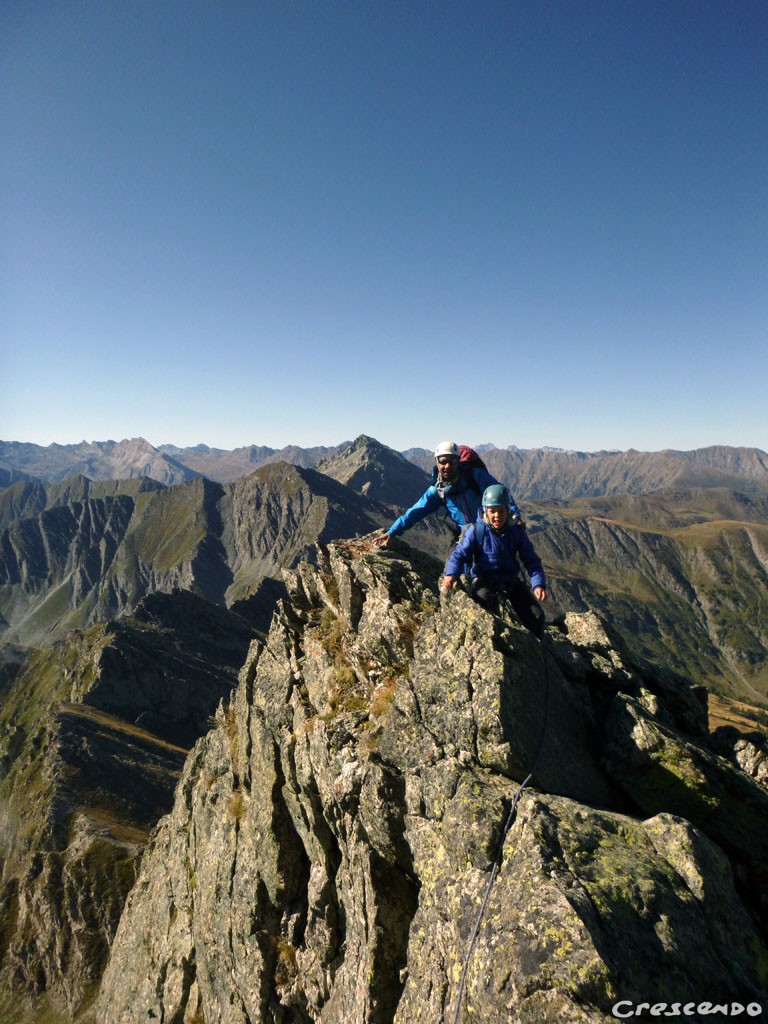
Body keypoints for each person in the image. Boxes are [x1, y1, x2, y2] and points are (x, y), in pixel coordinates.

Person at [442, 483, 547, 638]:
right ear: (485, 511)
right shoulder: (476, 531)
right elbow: (459, 554)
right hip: (484, 580)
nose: (497, 515)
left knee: (536, 617)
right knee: (486, 617)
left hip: (509, 580)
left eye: (501, 511)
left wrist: (538, 584)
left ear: (507, 510)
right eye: (492, 511)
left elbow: (531, 560)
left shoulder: (516, 532)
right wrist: (451, 573)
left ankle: (536, 651)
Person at [375, 441, 521, 547]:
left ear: (458, 461)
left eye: (452, 461)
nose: (447, 466)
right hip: (467, 537)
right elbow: (415, 512)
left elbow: (501, 493)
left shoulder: (475, 476)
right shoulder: (437, 491)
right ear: (437, 463)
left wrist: (515, 516)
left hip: (491, 530)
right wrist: (393, 531)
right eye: (443, 462)